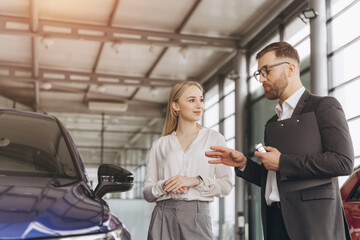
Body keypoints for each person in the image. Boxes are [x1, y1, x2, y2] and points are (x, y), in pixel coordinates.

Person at [205, 42, 354, 240]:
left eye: (266, 71)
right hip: (276, 221)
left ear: (290, 69)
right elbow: (276, 179)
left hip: (312, 224)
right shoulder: (272, 122)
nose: (262, 79)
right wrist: (244, 164)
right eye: (259, 73)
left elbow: (343, 162)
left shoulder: (323, 107)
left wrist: (282, 161)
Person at [143, 81, 233, 240]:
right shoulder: (160, 145)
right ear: (175, 106)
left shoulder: (214, 139)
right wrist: (164, 186)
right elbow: (147, 193)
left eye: (201, 100)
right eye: (191, 100)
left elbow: (226, 185)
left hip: (197, 216)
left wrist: (195, 181)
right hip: (163, 214)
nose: (199, 105)